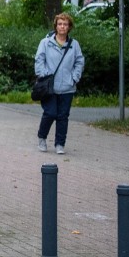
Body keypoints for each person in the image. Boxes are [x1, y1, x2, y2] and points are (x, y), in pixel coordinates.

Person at [35, 12, 85, 155]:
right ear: (55, 26)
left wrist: (74, 78)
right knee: (50, 113)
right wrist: (43, 75)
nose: (62, 27)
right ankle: (42, 137)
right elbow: (39, 60)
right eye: (60, 24)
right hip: (49, 88)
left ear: (69, 27)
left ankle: (60, 144)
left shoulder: (74, 45)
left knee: (63, 116)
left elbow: (79, 61)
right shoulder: (45, 43)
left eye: (65, 24)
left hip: (67, 87)